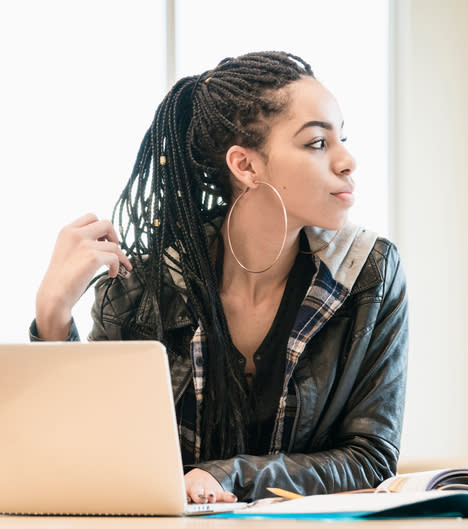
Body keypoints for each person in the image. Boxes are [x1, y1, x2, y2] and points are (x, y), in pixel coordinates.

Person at [32, 51, 408, 504]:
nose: (347, 161)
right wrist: (52, 317)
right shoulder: (141, 288)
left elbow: (371, 458)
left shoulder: (370, 274)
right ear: (245, 166)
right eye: (317, 143)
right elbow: (89, 456)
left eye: (342, 139)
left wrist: (227, 475)